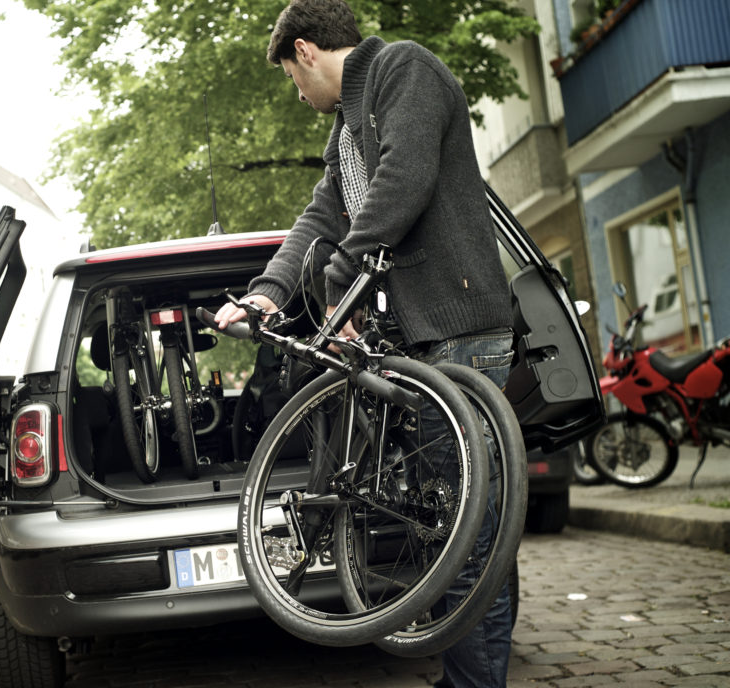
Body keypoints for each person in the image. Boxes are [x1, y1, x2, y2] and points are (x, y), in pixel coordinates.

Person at [214, 1, 514, 686]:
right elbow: (320, 216)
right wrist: (266, 292)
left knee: (465, 537)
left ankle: (473, 684)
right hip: (425, 344)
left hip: (460, 332)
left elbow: (405, 177)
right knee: (468, 528)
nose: (297, 93)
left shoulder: (403, 70)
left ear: (305, 51)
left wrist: (342, 271)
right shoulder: (347, 130)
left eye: (291, 77)